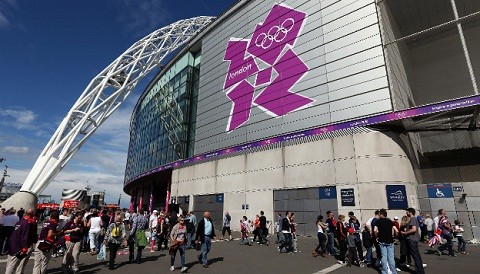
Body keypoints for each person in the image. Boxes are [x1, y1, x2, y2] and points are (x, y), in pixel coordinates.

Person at [5, 208, 37, 274]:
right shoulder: (28, 223)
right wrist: (25, 248)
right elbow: (25, 237)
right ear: (32, 214)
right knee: (14, 266)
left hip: (12, 245)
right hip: (20, 247)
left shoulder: (20, 221)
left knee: (10, 264)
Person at [402, 208, 426, 274]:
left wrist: (405, 233)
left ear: (410, 212)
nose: (406, 213)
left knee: (415, 256)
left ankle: (419, 272)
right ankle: (420, 271)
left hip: (412, 239)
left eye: (407, 212)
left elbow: (414, 229)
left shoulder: (413, 219)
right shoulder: (413, 219)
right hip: (413, 239)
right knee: (416, 255)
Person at [374, 208, 398, 274]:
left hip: (382, 240)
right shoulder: (390, 221)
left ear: (381, 214)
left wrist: (377, 237)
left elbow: (375, 230)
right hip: (390, 240)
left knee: (384, 256)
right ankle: (393, 271)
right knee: (391, 257)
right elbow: (396, 230)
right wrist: (395, 238)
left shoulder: (378, 221)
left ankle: (384, 271)